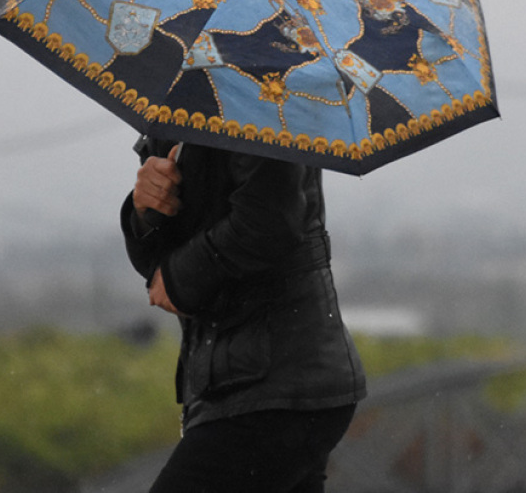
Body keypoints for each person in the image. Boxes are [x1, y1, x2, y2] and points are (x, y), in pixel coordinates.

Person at [121, 136, 367, 493]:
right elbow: (156, 263)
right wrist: (146, 210)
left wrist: (177, 279)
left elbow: (270, 219)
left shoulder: (259, 106)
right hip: (254, 384)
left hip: (275, 384)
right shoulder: (181, 117)